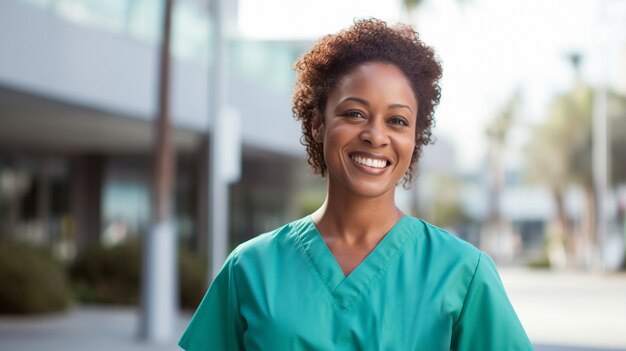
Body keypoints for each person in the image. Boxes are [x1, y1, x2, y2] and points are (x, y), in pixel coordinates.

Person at [179, 19, 533, 350]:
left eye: (397, 120)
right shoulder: (250, 268)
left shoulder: (463, 273)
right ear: (318, 123)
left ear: (415, 137)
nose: (376, 136)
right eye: (354, 114)